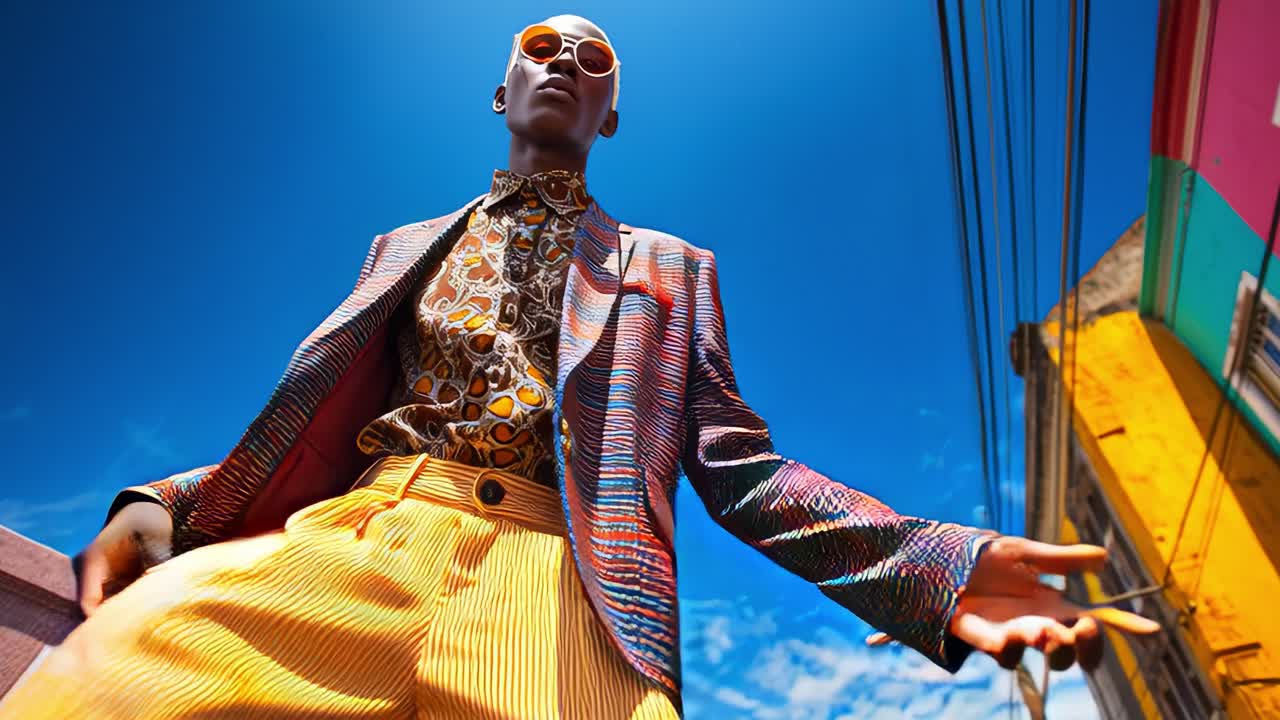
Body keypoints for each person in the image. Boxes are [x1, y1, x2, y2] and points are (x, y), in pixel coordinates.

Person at [0, 13, 1157, 720]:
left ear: (608, 111)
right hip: (355, 545)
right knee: (100, 692)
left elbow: (738, 472)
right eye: (537, 50)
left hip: (562, 599)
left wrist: (931, 569)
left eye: (588, 57)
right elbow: (329, 422)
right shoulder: (398, 248)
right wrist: (168, 505)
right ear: (501, 93)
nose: (561, 62)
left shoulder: (668, 268)